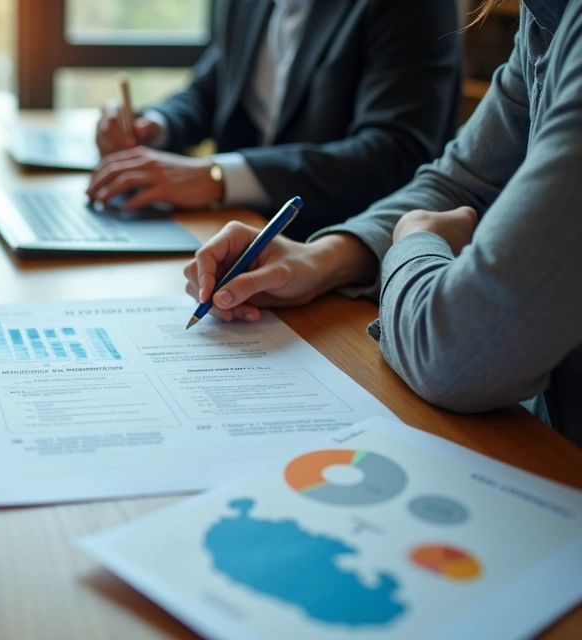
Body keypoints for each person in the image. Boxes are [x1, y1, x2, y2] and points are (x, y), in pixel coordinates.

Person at [182, 0, 582, 447]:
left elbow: (455, 355)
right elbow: (460, 181)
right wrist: (321, 257)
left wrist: (415, 237)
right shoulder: (545, 17)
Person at [88, 0, 461, 243]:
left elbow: (392, 155)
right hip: (235, 231)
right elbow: (215, 87)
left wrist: (215, 177)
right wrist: (156, 125)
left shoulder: (413, 8)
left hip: (344, 249)